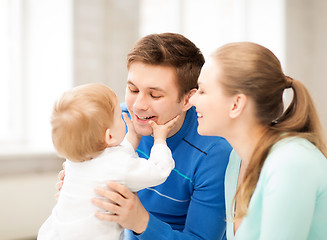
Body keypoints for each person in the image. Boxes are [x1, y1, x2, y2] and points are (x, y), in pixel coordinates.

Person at [57, 33, 232, 239]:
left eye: (155, 95)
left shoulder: (214, 152)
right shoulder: (115, 122)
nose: (138, 105)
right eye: (132, 89)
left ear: (188, 99)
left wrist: (140, 221)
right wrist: (80, 188)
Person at [190, 41, 327, 239]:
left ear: (236, 104)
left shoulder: (291, 162)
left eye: (202, 90)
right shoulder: (236, 162)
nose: (193, 100)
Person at [38, 83, 179, 240]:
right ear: (109, 136)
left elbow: (117, 153)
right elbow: (158, 170)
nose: (123, 117)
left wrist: (134, 135)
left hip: (57, 232)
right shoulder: (117, 167)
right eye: (119, 116)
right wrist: (160, 140)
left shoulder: (75, 160)